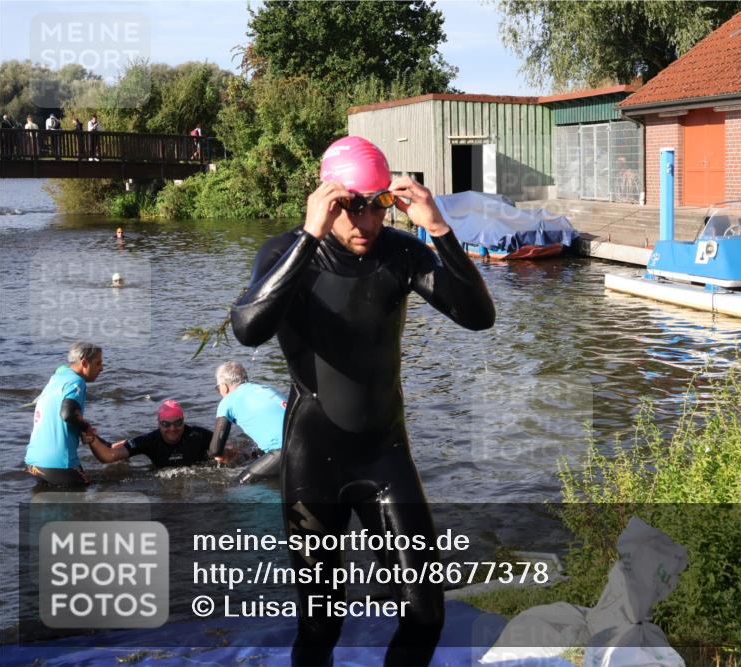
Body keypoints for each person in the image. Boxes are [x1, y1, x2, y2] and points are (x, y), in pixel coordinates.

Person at [230, 135, 495, 666]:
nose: (365, 223)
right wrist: (310, 234)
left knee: (425, 613)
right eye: (349, 208)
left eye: (375, 206)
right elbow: (247, 328)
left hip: (384, 453)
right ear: (326, 200)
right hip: (312, 456)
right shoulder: (287, 252)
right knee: (322, 621)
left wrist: (438, 228)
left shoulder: (398, 253)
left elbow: (477, 315)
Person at [23, 342, 104, 486]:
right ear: (84, 363)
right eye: (98, 363)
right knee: (95, 494)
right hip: (59, 465)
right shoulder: (77, 382)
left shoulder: (59, 376)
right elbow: (68, 414)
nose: (102, 368)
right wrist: (87, 428)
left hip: (33, 463)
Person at [208, 361, 286, 484]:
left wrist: (226, 455)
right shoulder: (266, 388)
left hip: (284, 450)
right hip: (310, 438)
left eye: (218, 388)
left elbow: (215, 450)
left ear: (224, 387)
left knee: (238, 485)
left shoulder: (227, 401)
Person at [84, 399, 215, 468]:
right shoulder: (150, 440)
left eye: (178, 423)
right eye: (166, 424)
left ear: (184, 421)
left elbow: (226, 446)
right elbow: (108, 456)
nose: (172, 428)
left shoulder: (198, 435)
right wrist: (92, 440)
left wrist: (228, 451)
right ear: (158, 423)